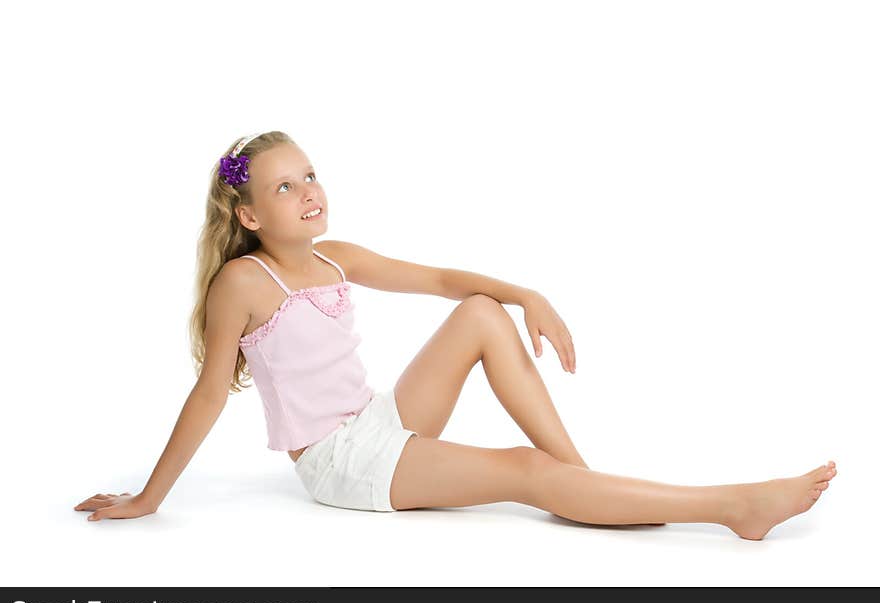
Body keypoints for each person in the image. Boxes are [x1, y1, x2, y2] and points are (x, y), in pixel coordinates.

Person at [74, 130, 837, 540]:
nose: (310, 191)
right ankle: (733, 504)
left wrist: (528, 292)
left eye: (311, 173)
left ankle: (588, 486)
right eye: (284, 186)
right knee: (521, 468)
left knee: (481, 312)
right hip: (342, 463)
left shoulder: (335, 257)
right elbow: (209, 395)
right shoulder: (243, 283)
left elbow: (443, 281)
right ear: (249, 217)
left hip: (377, 420)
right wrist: (149, 497)